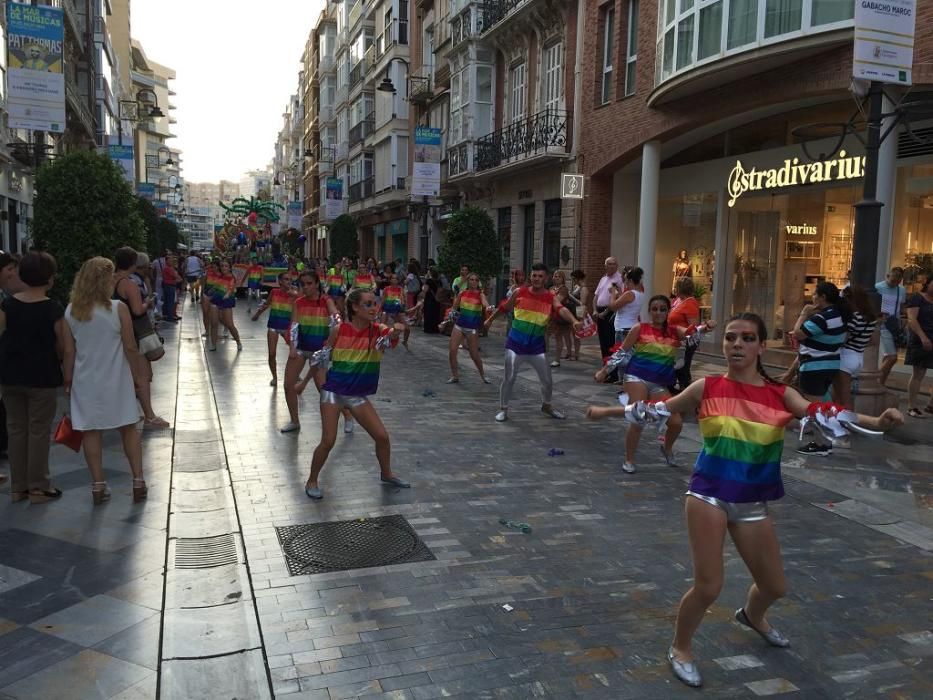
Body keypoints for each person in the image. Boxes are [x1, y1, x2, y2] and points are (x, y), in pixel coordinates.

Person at [588, 312, 903, 689]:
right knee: (709, 586)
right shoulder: (707, 386)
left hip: (752, 501)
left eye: (748, 338)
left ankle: (753, 616)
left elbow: (826, 414)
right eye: (731, 337)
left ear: (760, 346)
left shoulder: (780, 395)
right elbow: (654, 409)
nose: (737, 344)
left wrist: (878, 422)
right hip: (708, 495)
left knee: (774, 587)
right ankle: (681, 647)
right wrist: (607, 410)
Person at [304, 288, 410, 500]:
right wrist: (319, 384)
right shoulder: (339, 330)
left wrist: (397, 330)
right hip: (333, 393)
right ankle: (312, 480)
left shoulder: (377, 330)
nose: (373, 308)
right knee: (328, 440)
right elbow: (321, 360)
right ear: (354, 307)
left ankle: (386, 473)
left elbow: (389, 337)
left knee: (382, 437)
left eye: (374, 304)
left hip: (357, 395)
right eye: (368, 304)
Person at [63, 257, 148, 505]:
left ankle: (98, 485)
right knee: (128, 428)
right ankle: (138, 481)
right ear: (104, 281)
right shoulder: (117, 308)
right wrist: (137, 376)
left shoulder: (71, 310)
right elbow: (131, 347)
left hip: (85, 380)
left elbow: (69, 351)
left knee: (91, 431)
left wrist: (68, 379)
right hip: (117, 378)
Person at [593, 295, 705, 472]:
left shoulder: (675, 331)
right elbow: (621, 353)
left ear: (668, 311)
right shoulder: (639, 328)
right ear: (649, 311)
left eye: (662, 309)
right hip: (636, 376)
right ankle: (629, 460)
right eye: (655, 309)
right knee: (638, 418)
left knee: (676, 422)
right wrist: (604, 371)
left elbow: (691, 333)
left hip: (659, 383)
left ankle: (666, 448)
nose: (658, 312)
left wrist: (704, 328)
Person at [0, 252, 66, 503]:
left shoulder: (7, 305)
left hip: (10, 376)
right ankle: (38, 486)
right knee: (38, 430)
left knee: (15, 429)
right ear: (49, 277)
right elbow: (62, 346)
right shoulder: (53, 308)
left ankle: (18, 488)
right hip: (42, 376)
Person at [484, 263, 582, 422]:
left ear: (546, 278)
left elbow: (561, 308)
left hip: (536, 346)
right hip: (515, 344)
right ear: (531, 276)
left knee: (547, 380)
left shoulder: (550, 297)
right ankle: (503, 409)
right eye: (534, 275)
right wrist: (489, 320)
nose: (536, 279)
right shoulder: (519, 292)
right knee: (509, 378)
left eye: (540, 276)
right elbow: (504, 307)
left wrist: (573, 321)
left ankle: (547, 406)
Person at [281, 271, 351, 433]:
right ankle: (294, 421)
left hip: (319, 351)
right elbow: (294, 325)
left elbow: (337, 319)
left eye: (309, 283)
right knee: (288, 385)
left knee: (323, 389)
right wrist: (292, 347)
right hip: (300, 349)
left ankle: (347, 414)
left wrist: (336, 328)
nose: (305, 287)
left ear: (317, 284)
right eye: (302, 284)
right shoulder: (298, 302)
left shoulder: (326, 301)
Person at [113, 247, 170, 429]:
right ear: (133, 263)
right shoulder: (129, 284)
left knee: (126, 374)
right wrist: (148, 302)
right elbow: (137, 310)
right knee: (143, 375)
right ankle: (150, 416)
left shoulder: (109, 281)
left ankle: (126, 411)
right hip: (135, 333)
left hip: (115, 332)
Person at [792, 281, 849, 456]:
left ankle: (821, 444)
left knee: (815, 408)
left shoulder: (822, 318)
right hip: (830, 365)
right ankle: (824, 440)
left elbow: (797, 333)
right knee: (822, 403)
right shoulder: (837, 315)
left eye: (815, 294)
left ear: (823, 297)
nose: (812, 297)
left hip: (814, 366)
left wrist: (804, 313)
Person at [833, 285, 876, 410]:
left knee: (843, 396)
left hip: (846, 357)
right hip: (858, 356)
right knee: (843, 394)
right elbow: (872, 341)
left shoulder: (854, 317)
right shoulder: (870, 318)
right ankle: (839, 421)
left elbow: (844, 338)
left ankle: (846, 422)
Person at [251, 270, 296, 386]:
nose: (289, 282)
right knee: (271, 354)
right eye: (286, 279)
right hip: (273, 326)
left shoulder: (294, 294)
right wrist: (257, 314)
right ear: (280, 281)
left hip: (287, 328)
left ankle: (295, 373)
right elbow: (267, 304)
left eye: (290, 280)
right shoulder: (274, 292)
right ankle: (274, 377)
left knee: (295, 353)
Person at [447, 273, 492, 385]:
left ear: (478, 282)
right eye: (471, 280)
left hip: (472, 328)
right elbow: (454, 309)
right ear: (468, 281)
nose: (473, 282)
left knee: (474, 354)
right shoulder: (462, 293)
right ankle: (455, 376)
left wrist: (489, 307)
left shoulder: (480, 295)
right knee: (452, 351)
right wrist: (446, 320)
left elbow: (486, 304)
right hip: (459, 325)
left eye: (475, 280)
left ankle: (483, 375)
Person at [905, 274, 933, 418]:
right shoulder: (917, 298)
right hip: (920, 339)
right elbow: (912, 319)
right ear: (928, 283)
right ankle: (912, 406)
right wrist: (923, 338)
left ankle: (931, 405)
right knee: (919, 373)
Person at [876, 266, 907, 387]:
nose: (895, 283)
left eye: (898, 281)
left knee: (887, 357)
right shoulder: (878, 287)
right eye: (893, 280)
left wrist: (904, 319)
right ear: (887, 276)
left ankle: (880, 384)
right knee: (892, 357)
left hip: (894, 325)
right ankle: (875, 380)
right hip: (882, 325)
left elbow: (902, 307)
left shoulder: (901, 290)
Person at [669, 277, 701, 392]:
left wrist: (684, 338)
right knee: (677, 365)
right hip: (675, 340)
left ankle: (686, 390)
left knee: (683, 366)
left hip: (685, 341)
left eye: (676, 286)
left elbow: (694, 326)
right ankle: (676, 386)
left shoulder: (690, 303)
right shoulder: (679, 300)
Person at [592, 257, 623, 360]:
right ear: (605, 266)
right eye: (609, 264)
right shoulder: (603, 279)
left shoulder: (619, 279)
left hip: (610, 312)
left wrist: (605, 313)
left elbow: (618, 298)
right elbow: (596, 296)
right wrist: (595, 310)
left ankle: (612, 370)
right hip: (600, 312)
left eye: (614, 264)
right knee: (603, 341)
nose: (611, 266)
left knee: (610, 341)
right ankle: (605, 366)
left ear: (617, 266)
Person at [211, 261, 243, 352]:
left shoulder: (232, 278)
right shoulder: (220, 276)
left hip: (226, 301)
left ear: (229, 268)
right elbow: (215, 287)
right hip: (216, 299)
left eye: (226, 266)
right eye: (222, 266)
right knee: (214, 323)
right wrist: (209, 292)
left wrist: (227, 294)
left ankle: (238, 341)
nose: (223, 267)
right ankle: (213, 344)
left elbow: (231, 288)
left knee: (229, 324)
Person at [547, 270, 573, 368]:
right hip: (549, 315)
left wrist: (551, 296)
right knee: (545, 334)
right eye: (555, 276)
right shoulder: (551, 288)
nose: (556, 278)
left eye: (559, 276)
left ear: (562, 279)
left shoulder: (563, 289)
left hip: (559, 316)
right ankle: (544, 355)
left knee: (558, 337)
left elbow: (558, 301)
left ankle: (557, 359)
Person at [380, 273, 411, 347]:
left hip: (397, 311)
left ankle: (404, 341)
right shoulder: (386, 289)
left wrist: (405, 309)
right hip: (386, 310)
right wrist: (379, 311)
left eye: (396, 278)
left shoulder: (401, 289)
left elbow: (404, 301)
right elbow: (383, 301)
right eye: (393, 278)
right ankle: (381, 341)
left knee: (407, 328)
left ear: (398, 280)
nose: (394, 280)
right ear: (390, 280)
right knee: (382, 326)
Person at [567, 270, 589, 361]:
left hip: (578, 312)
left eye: (574, 278)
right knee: (573, 334)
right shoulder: (576, 287)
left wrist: (570, 296)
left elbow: (582, 303)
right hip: (572, 310)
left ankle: (576, 354)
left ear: (577, 278)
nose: (573, 280)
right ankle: (573, 353)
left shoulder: (584, 288)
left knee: (577, 335)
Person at [420, 267, 442, 334]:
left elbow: (425, 290)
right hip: (437, 300)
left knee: (428, 314)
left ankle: (428, 329)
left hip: (429, 299)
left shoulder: (428, 281)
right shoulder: (439, 281)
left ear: (430, 272)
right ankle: (435, 329)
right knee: (435, 314)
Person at [161, 254, 181, 322]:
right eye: (170, 260)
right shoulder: (168, 268)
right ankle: (169, 317)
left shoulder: (169, 268)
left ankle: (167, 315)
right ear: (166, 261)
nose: (172, 261)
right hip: (169, 286)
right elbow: (175, 276)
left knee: (168, 301)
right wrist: (178, 278)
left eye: (172, 260)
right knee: (170, 302)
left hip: (169, 286)